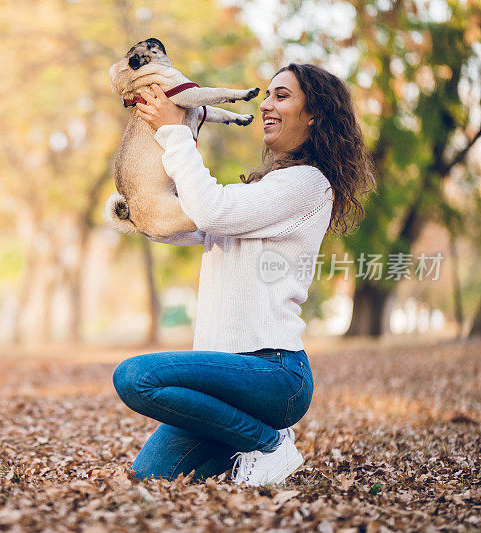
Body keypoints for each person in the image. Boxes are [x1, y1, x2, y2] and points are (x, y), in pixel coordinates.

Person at [111, 63, 375, 486]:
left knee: (135, 377)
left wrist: (174, 132)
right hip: (222, 377)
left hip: (273, 372)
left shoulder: (308, 183)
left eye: (282, 96)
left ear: (315, 115)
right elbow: (195, 224)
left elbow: (211, 209)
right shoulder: (262, 190)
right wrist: (136, 211)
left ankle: (269, 445)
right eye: (268, 95)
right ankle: (243, 436)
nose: (267, 105)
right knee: (150, 476)